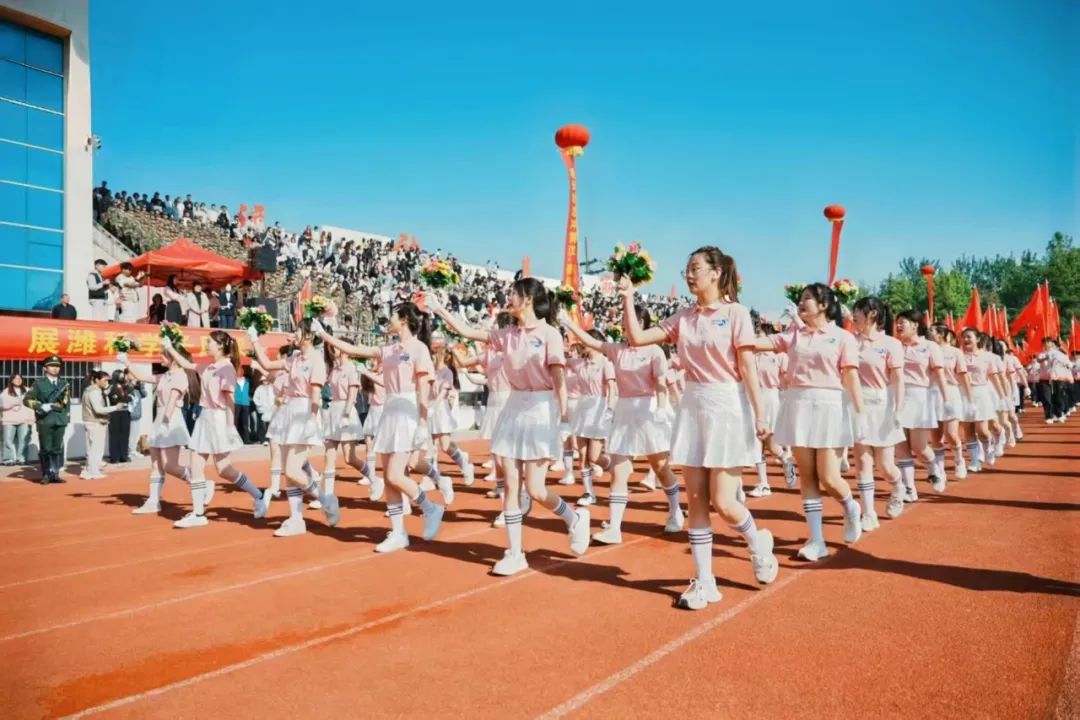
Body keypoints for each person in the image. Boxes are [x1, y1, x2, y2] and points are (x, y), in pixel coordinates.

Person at [623, 247, 777, 608]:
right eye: (686, 270)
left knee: (724, 501)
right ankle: (705, 582)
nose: (689, 275)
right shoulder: (684, 317)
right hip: (693, 406)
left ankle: (757, 543)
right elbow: (637, 338)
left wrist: (760, 415)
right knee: (695, 501)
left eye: (695, 268)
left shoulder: (736, 314)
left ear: (716, 273)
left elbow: (748, 367)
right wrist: (628, 296)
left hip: (727, 406)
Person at [434, 278, 589, 576]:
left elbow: (559, 380)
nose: (509, 298)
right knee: (511, 484)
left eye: (513, 294)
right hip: (514, 406)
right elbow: (468, 332)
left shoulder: (549, 334)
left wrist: (564, 418)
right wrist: (440, 309)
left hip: (541, 408)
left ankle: (574, 518)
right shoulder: (507, 335)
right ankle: (515, 553)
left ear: (527, 299)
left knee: (536, 489)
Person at [318, 304, 447, 551]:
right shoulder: (388, 349)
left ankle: (430, 508)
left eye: (394, 316)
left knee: (396, 474)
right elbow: (354, 349)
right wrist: (325, 335)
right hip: (390, 411)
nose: (389, 320)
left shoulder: (419, 348)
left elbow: (424, 388)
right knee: (388, 478)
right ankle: (398, 532)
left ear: (404, 320)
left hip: (408, 411)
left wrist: (423, 422)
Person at [758, 283, 865, 562]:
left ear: (824, 305)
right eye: (801, 298)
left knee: (829, 477)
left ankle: (851, 507)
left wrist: (860, 413)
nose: (801, 303)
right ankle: (816, 540)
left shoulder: (842, 337)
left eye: (807, 298)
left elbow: (851, 376)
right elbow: (761, 343)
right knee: (807, 476)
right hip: (798, 404)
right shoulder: (794, 335)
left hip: (829, 405)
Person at [562, 305, 685, 543]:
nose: (626, 325)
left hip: (649, 409)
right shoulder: (617, 349)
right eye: (624, 321)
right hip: (625, 410)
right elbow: (591, 341)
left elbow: (661, 383)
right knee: (619, 470)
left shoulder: (654, 350)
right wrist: (569, 324)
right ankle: (615, 528)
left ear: (642, 323)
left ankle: (675, 510)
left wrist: (661, 408)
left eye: (631, 321)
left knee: (660, 467)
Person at [161, 329, 270, 528]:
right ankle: (198, 513)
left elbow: (230, 401)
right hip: (205, 417)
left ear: (220, 345)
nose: (206, 344)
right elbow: (187, 364)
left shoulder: (226, 368)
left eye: (209, 342)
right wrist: (170, 347)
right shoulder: (208, 366)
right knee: (196, 465)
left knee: (224, 469)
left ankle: (258, 494)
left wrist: (229, 427)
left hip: (219, 419)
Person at [250, 321, 339, 537]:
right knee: (288, 472)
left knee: (292, 469)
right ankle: (296, 518)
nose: (294, 334)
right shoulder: (294, 358)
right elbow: (267, 364)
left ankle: (325, 499)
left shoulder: (316, 361)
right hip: (289, 412)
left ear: (308, 335)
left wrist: (312, 420)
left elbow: (316, 394)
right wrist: (254, 340)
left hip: (304, 412)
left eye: (298, 330)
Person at [850, 297, 906, 523]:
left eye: (857, 311)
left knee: (885, 466)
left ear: (872, 314)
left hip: (882, 406)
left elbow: (898, 379)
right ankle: (868, 513)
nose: (854, 315)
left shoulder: (891, 344)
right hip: (857, 406)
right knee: (863, 462)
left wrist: (898, 409)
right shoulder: (850, 341)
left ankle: (898, 486)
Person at [127, 346, 193, 514]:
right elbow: (141, 377)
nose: (160, 358)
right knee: (156, 465)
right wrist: (126, 361)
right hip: (160, 419)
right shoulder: (164, 376)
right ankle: (153, 501)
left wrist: (166, 421)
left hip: (170, 420)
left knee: (170, 465)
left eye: (163, 356)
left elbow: (172, 400)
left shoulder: (180, 376)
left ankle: (198, 481)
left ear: (173, 358)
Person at [23, 355, 71, 484]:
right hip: (45, 420)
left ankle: (55, 473)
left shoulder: (64, 383)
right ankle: (46, 474)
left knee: (57, 448)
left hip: (60, 419)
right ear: (45, 368)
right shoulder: (39, 383)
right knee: (45, 448)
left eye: (57, 366)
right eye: (52, 366)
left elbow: (66, 403)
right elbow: (26, 400)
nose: (55, 368)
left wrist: (66, 418)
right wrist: (40, 406)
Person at [81, 371, 123, 480]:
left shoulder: (90, 390)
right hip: (96, 422)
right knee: (96, 448)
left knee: (91, 448)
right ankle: (94, 471)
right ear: (96, 380)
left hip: (91, 421)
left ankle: (88, 471)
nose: (106, 382)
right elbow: (98, 409)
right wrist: (115, 407)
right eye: (104, 380)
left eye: (108, 380)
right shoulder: (94, 392)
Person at [1, 373, 34, 466]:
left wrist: (31, 418)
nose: (18, 380)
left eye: (20, 378)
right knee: (7, 440)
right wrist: (13, 403)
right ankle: (8, 459)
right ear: (11, 380)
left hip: (24, 419)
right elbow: (2, 405)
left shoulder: (28, 391)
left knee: (24, 440)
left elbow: (32, 405)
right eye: (15, 378)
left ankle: (22, 458)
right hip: (9, 420)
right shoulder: (6, 391)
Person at [106, 370, 133, 464]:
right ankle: (114, 457)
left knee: (125, 434)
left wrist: (128, 396)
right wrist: (126, 398)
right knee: (114, 435)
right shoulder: (112, 386)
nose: (123, 378)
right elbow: (115, 399)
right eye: (121, 376)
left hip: (125, 412)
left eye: (123, 376)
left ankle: (123, 456)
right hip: (115, 412)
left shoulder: (125, 387)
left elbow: (131, 396)